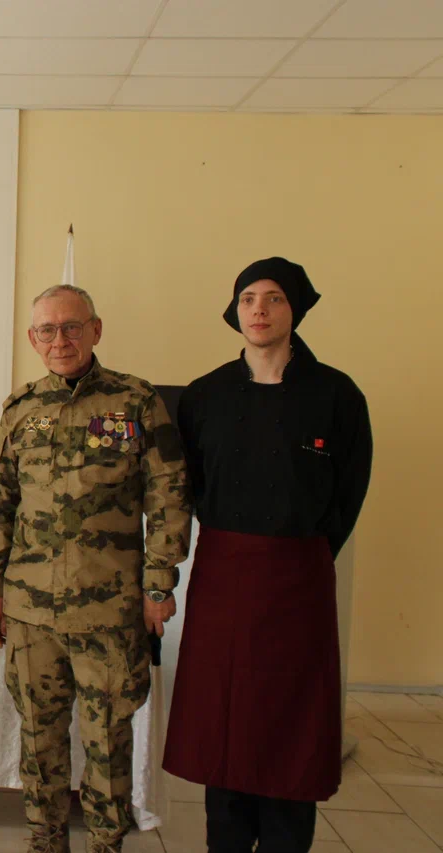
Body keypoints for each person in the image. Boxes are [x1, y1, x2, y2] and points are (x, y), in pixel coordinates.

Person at [163, 258, 373, 853]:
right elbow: (189, 485)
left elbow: (349, 491)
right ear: (235, 311)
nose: (259, 309)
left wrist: (301, 556)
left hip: (298, 585)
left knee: (291, 732)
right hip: (223, 580)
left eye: (274, 298)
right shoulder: (204, 396)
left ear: (295, 309)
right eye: (248, 298)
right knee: (224, 730)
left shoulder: (337, 395)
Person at [0, 284, 192, 853]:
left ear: (95, 330)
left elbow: (168, 496)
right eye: (47, 330)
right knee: (39, 740)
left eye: (72, 327)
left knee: (108, 743)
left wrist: (158, 585)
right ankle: (45, 841)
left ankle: (105, 844)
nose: (61, 340)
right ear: (33, 339)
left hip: (109, 613)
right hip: (31, 614)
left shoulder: (136, 401)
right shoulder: (20, 409)